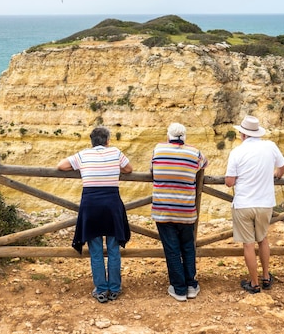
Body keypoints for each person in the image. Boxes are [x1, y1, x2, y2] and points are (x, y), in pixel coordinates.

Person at [57, 126, 133, 303]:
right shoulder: (115, 152)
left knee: (96, 250)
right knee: (113, 249)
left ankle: (100, 290)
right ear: (107, 141)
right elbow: (128, 169)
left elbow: (61, 166)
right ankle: (114, 289)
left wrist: (82, 168)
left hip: (91, 206)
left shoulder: (83, 155)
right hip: (112, 206)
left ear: (92, 142)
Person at [225, 115, 284, 294]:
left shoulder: (237, 152)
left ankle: (254, 283)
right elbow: (283, 166)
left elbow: (229, 181)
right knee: (263, 239)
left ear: (242, 134)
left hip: (244, 203)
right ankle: (266, 277)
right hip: (265, 203)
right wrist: (276, 174)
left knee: (248, 244)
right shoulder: (270, 146)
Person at [151, 123, 208, 302]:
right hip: (186, 210)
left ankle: (179, 288)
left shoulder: (158, 149)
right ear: (184, 137)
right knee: (188, 246)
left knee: (172, 249)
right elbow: (204, 163)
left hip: (163, 209)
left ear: (168, 136)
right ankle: (191, 285)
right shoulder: (194, 152)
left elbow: (152, 170)